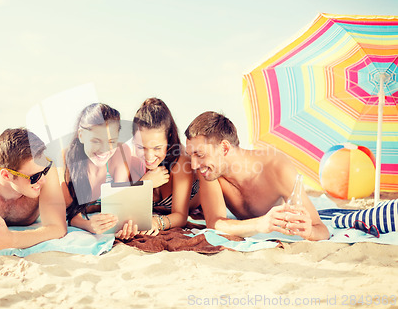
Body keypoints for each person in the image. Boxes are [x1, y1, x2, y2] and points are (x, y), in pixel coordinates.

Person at [184, 111, 329, 241]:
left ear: (224, 148)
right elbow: (214, 223)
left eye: (200, 154)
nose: (194, 165)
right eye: (192, 155)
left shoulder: (276, 167)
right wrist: (260, 224)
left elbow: (321, 229)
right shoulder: (209, 172)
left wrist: (309, 232)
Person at [60, 103, 137, 239]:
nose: (105, 150)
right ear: (81, 135)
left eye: (111, 141)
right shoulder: (66, 157)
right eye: (96, 141)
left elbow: (120, 201)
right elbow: (69, 213)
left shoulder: (122, 151)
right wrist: (88, 225)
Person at [130, 98, 200, 235]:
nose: (149, 157)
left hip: (197, 207)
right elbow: (125, 206)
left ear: (168, 138)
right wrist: (144, 183)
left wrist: (156, 222)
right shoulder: (130, 158)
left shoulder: (181, 160)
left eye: (157, 148)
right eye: (141, 147)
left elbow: (180, 216)